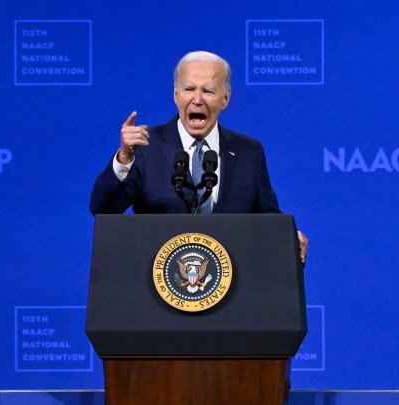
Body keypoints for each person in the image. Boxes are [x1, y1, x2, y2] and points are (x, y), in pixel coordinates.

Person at [89, 50, 308, 263]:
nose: (197, 99)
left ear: (225, 98)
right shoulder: (145, 146)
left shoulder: (249, 152)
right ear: (176, 95)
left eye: (209, 91)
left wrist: (288, 238)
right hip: (157, 285)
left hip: (231, 287)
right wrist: (124, 158)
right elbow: (103, 211)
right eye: (189, 89)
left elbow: (268, 220)